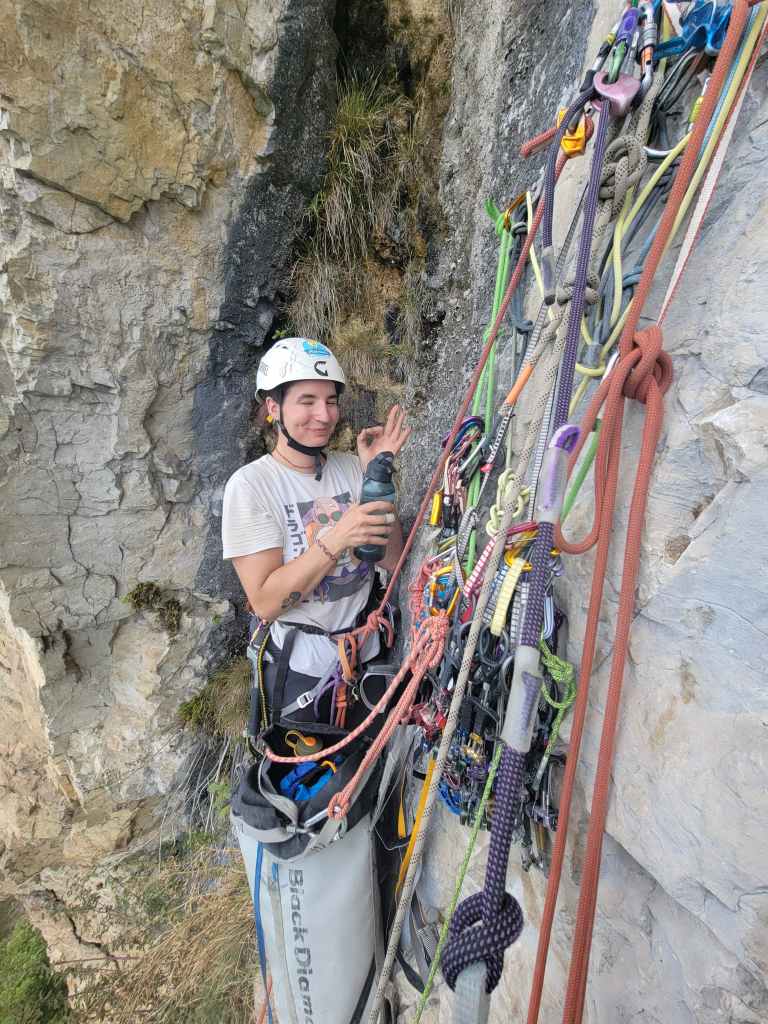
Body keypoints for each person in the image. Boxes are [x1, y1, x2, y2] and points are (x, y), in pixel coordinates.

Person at [221, 337, 411, 686]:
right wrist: (337, 538)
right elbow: (265, 603)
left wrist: (376, 478)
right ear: (274, 407)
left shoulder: (352, 468)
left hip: (368, 654)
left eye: (331, 401)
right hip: (300, 675)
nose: (324, 416)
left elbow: (393, 559)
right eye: (307, 401)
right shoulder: (251, 486)